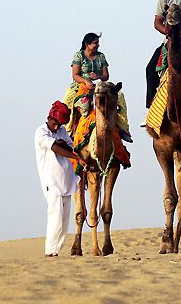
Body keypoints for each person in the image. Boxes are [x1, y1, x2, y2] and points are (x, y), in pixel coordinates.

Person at [34, 101, 91, 257]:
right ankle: (50, 252)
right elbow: (57, 147)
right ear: (50, 117)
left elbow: (68, 145)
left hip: (67, 180)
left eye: (59, 124)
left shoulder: (61, 131)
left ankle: (56, 251)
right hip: (51, 182)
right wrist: (76, 157)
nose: (56, 126)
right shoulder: (41, 132)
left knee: (65, 222)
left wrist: (65, 145)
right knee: (55, 217)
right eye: (55, 123)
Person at [62, 32, 132, 142]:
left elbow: (106, 76)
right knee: (67, 101)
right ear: (87, 44)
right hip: (80, 86)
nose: (98, 45)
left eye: (98, 42)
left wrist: (98, 76)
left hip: (98, 86)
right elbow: (75, 75)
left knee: (119, 95)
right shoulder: (79, 55)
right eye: (95, 43)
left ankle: (123, 128)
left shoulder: (101, 56)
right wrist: (85, 81)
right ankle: (67, 130)